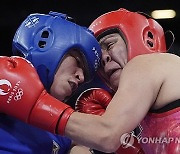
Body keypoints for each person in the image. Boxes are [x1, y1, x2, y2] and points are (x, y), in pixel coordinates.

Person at [1, 8, 179, 154]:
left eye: (110, 45)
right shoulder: (141, 118)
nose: (105, 60)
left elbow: (106, 134)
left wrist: (37, 105)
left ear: (144, 40)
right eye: (99, 61)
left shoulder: (146, 64)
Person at [0, 11, 101, 154]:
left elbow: (78, 145)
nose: (81, 78)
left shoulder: (57, 131)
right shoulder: (4, 78)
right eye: (78, 62)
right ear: (45, 42)